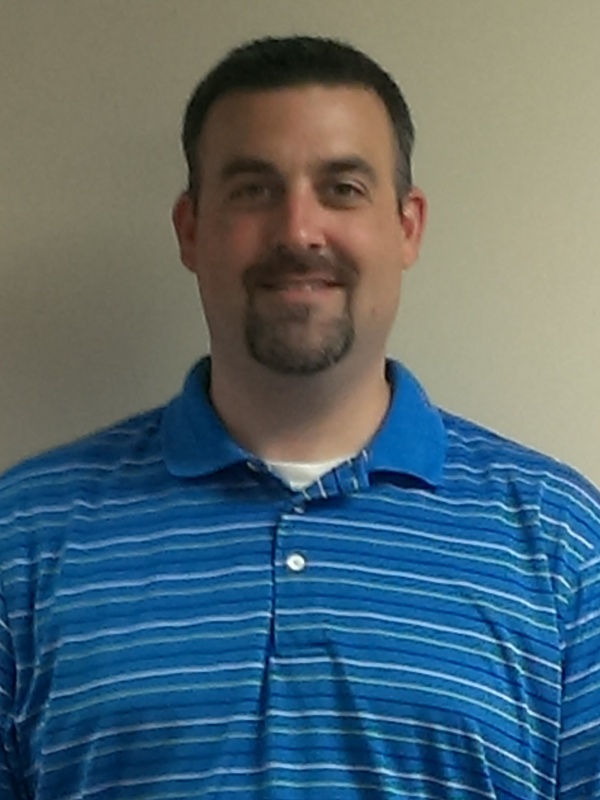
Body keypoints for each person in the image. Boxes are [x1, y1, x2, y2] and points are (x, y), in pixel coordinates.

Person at [1, 35, 599, 800]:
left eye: (342, 188)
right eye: (254, 189)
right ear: (191, 229)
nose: (297, 232)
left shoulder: (561, 543)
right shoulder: (25, 537)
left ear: (407, 226)